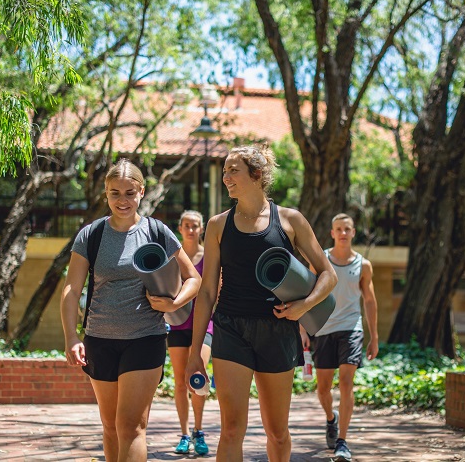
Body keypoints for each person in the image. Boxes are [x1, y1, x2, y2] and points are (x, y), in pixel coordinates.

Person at [185, 144, 337, 462]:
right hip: (230, 328)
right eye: (224, 170)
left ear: (256, 175)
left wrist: (305, 305)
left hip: (278, 331)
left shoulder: (290, 220)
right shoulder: (217, 225)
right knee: (230, 429)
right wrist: (194, 352)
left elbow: (328, 275)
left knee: (277, 433)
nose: (226, 177)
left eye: (233, 170)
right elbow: (208, 292)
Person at [60, 159, 201, 462]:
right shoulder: (91, 235)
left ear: (141, 192)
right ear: (105, 194)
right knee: (110, 427)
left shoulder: (157, 232)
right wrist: (71, 336)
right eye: (114, 193)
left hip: (145, 338)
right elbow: (72, 288)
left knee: (132, 426)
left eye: (129, 193)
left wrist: (175, 303)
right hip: (100, 339)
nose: (122, 200)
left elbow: (194, 278)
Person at [300, 213, 379, 462]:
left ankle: (343, 442)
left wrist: (374, 336)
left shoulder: (363, 265)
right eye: (338, 229)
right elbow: (307, 292)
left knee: (346, 382)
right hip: (323, 328)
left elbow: (369, 300)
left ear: (353, 232)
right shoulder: (321, 260)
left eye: (347, 229)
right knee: (323, 389)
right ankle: (331, 419)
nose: (343, 233)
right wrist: (303, 329)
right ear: (332, 233)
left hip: (351, 328)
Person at [167, 210, 213, 456]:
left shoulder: (210, 257)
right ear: (180, 228)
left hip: (204, 325)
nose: (191, 229)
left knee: (198, 378)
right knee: (180, 381)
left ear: (202, 228)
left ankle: (198, 431)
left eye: (195, 225)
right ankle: (184, 434)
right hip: (177, 325)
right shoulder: (174, 257)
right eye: (187, 225)